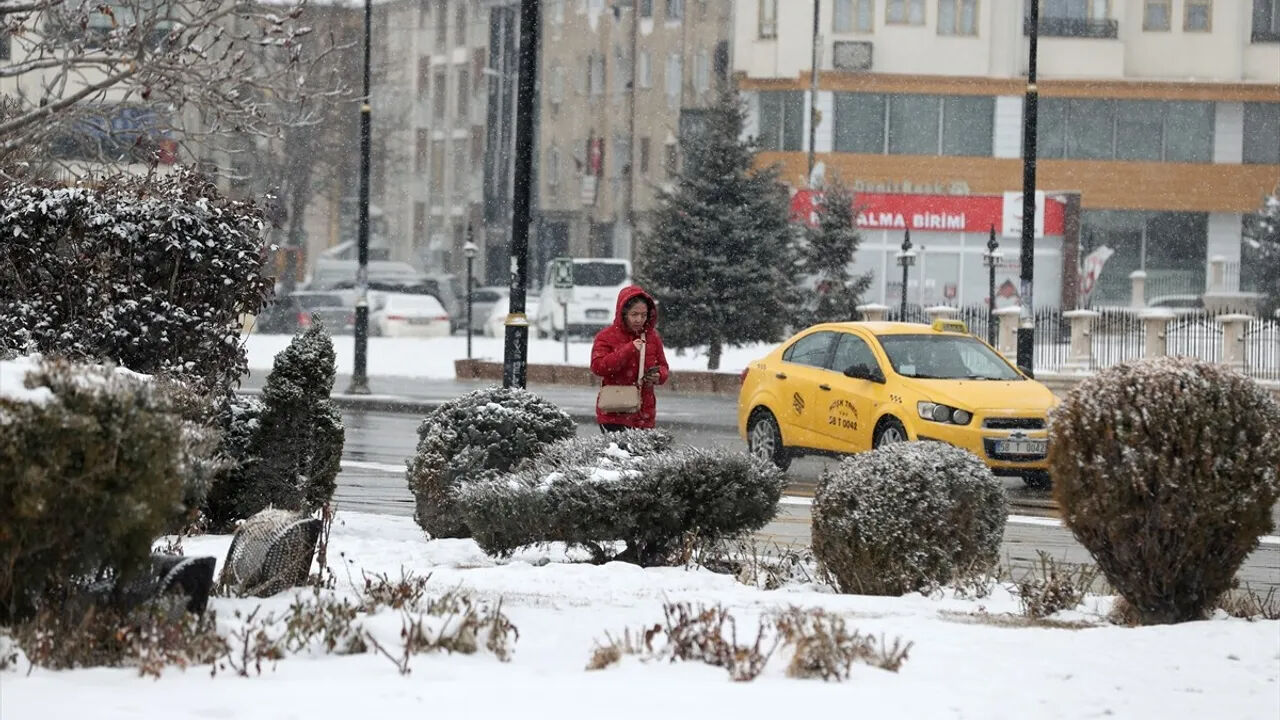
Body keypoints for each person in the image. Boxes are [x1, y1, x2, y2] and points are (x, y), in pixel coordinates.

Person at [590, 285, 669, 432]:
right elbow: (598, 367)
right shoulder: (606, 337)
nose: (639, 319)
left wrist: (659, 376)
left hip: (644, 414)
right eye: (634, 314)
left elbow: (664, 367)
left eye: (644, 315)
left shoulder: (652, 338)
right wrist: (629, 350)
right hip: (615, 412)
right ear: (623, 313)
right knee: (618, 454)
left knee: (641, 455)